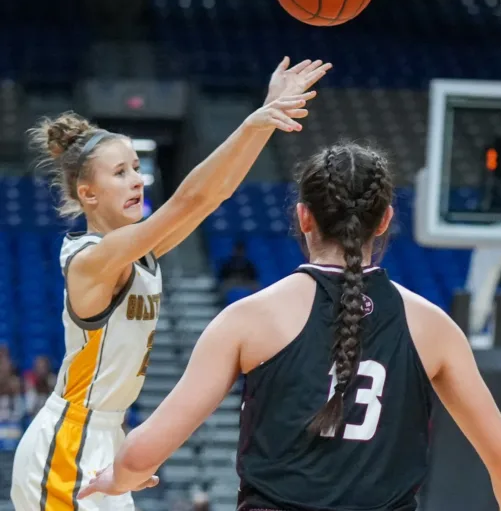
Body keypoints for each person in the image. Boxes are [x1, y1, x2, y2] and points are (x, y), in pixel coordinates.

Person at [77, 142, 501, 511]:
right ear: (386, 219)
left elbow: (142, 455)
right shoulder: (435, 327)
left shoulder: (249, 317)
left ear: (303, 216)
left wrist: (121, 477)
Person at [11, 57, 332, 511]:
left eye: (137, 168)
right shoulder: (90, 259)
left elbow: (212, 196)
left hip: (105, 438)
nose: (138, 180)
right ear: (88, 194)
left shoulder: (138, 251)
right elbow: (187, 200)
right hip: (67, 445)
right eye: (120, 172)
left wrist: (268, 116)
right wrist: (252, 123)